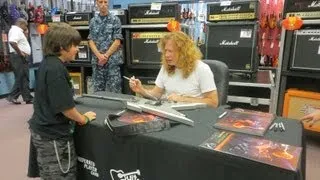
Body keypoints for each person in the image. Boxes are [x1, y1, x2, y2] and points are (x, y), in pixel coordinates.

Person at [28, 23, 96, 179]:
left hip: (44, 133)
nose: (77, 49)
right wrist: (83, 118)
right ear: (62, 47)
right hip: (53, 139)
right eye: (74, 45)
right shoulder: (56, 70)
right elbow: (66, 108)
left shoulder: (48, 63)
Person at [129, 31, 219, 107]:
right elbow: (157, 94)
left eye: (170, 51)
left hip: (195, 116)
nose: (166, 55)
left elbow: (213, 102)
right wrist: (141, 90)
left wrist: (182, 99)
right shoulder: (166, 67)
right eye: (165, 51)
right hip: (170, 113)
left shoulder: (202, 69)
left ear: (183, 52)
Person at [88, 0, 123, 93]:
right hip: (98, 62)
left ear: (108, 3)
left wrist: (106, 56)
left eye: (105, 2)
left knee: (115, 90)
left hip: (112, 62)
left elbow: (117, 41)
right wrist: (99, 56)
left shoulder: (115, 20)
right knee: (98, 91)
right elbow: (91, 41)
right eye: (100, 2)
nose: (103, 5)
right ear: (97, 4)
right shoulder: (93, 21)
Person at [6, 18, 33, 104]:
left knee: (24, 77)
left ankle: (27, 98)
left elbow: (22, 42)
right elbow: (12, 42)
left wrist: (26, 33)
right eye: (25, 25)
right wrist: (20, 53)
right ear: (21, 24)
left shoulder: (18, 31)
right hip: (18, 57)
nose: (26, 27)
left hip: (19, 57)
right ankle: (12, 96)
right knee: (21, 76)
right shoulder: (15, 30)